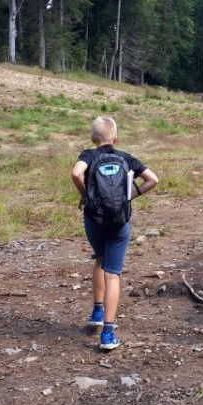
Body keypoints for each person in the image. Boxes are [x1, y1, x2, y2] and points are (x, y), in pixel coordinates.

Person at [71, 116, 158, 351]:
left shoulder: (88, 155)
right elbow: (153, 179)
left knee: (100, 258)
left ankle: (97, 311)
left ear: (93, 138)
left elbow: (76, 174)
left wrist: (85, 197)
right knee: (113, 274)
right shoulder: (126, 157)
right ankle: (108, 335)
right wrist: (131, 195)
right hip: (120, 221)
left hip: (94, 219)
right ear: (115, 138)